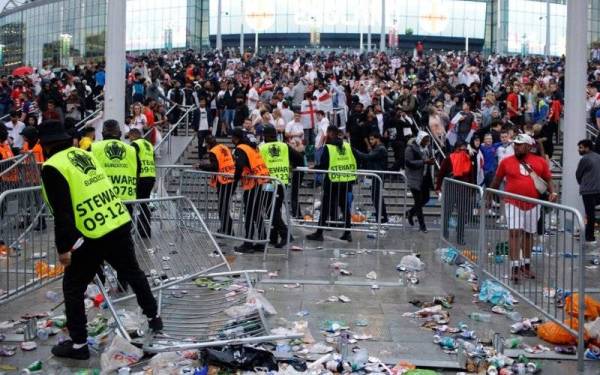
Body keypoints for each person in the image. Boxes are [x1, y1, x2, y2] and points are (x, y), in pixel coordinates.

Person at [39, 120, 161, 360]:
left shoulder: (53, 166)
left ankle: (78, 345)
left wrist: (64, 248)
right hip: (116, 221)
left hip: (91, 233)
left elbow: (62, 212)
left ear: (45, 145)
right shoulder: (82, 154)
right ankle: (154, 317)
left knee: (73, 287)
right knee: (133, 272)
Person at [490, 133, 556, 283]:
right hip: (513, 203)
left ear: (528, 146)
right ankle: (514, 268)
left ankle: (525, 265)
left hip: (533, 204)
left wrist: (553, 192)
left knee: (528, 234)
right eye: (515, 144)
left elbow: (548, 178)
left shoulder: (539, 161)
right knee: (514, 233)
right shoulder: (506, 162)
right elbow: (497, 180)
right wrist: (489, 194)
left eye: (519, 144)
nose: (516, 146)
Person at [307, 125, 356, 242]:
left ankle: (319, 233)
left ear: (329, 133)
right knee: (345, 207)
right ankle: (347, 233)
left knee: (325, 207)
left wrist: (314, 167)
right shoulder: (347, 145)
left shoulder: (328, 147)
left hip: (333, 181)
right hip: (346, 180)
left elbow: (323, 165)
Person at [259, 125, 304, 248]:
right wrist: (291, 167)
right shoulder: (284, 146)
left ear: (266, 136)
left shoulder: (262, 148)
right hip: (282, 183)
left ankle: (286, 235)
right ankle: (274, 237)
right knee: (275, 210)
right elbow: (300, 158)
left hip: (269, 184)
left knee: (271, 211)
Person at [231, 128, 270, 253]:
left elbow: (240, 166)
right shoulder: (251, 147)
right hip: (258, 183)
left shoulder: (241, 148)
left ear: (235, 138)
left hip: (251, 185)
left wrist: (235, 180)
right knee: (257, 214)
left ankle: (248, 243)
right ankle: (262, 241)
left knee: (249, 214)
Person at [435, 140, 474, 244]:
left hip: (461, 190)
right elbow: (441, 173)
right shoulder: (450, 159)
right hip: (452, 188)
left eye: (464, 148)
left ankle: (459, 236)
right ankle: (446, 233)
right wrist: (438, 187)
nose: (463, 151)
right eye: (461, 148)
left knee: (460, 214)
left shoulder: (467, 159)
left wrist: (471, 191)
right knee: (448, 212)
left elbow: (470, 176)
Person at [197, 134, 235, 236]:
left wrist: (201, 166)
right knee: (224, 206)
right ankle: (226, 228)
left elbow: (214, 167)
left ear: (208, 144)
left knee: (222, 206)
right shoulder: (224, 147)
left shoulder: (213, 151)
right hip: (231, 178)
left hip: (223, 181)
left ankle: (227, 229)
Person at [91, 120, 138, 203]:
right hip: (127, 199)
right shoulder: (132, 149)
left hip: (102, 199)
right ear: (120, 133)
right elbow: (139, 172)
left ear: (102, 134)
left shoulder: (93, 148)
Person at [352, 132, 389, 224]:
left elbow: (368, 157)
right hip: (373, 176)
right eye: (370, 139)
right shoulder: (376, 148)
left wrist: (354, 151)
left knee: (377, 198)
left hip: (377, 177)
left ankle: (382, 217)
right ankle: (382, 217)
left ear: (378, 139)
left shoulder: (380, 149)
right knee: (375, 197)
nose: (370, 141)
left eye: (372, 139)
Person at [128, 128, 156, 237]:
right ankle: (145, 231)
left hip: (141, 177)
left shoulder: (135, 144)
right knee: (144, 204)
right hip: (150, 176)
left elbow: (131, 159)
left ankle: (139, 230)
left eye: (129, 137)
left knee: (138, 204)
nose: (129, 140)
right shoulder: (148, 144)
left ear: (133, 135)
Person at [405, 131, 435, 233]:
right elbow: (409, 162)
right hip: (415, 179)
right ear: (420, 139)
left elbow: (427, 160)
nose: (427, 142)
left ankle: (410, 212)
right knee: (418, 202)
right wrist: (424, 162)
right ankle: (422, 226)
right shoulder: (410, 149)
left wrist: (430, 161)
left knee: (426, 199)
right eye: (425, 140)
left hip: (425, 178)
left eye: (428, 140)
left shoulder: (427, 149)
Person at [576, 139, 600, 244]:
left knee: (590, 214)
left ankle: (589, 237)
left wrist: (582, 183)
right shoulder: (598, 157)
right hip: (598, 189)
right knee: (591, 214)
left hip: (588, 191)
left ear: (587, 148)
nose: (579, 150)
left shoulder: (585, 159)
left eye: (581, 147)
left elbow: (578, 174)